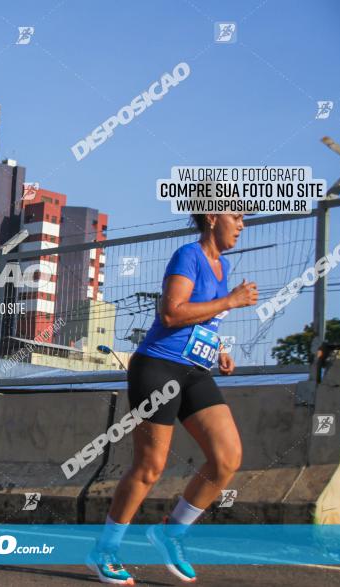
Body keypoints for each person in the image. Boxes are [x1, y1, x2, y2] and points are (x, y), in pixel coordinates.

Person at [86, 214, 258, 585]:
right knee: (150, 468)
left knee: (227, 457)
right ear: (212, 217)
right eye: (236, 216)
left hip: (196, 369)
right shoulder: (188, 255)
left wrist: (220, 348)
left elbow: (206, 319)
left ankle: (171, 532)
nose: (242, 224)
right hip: (159, 367)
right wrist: (231, 299)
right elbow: (171, 312)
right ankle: (105, 549)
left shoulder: (222, 264)